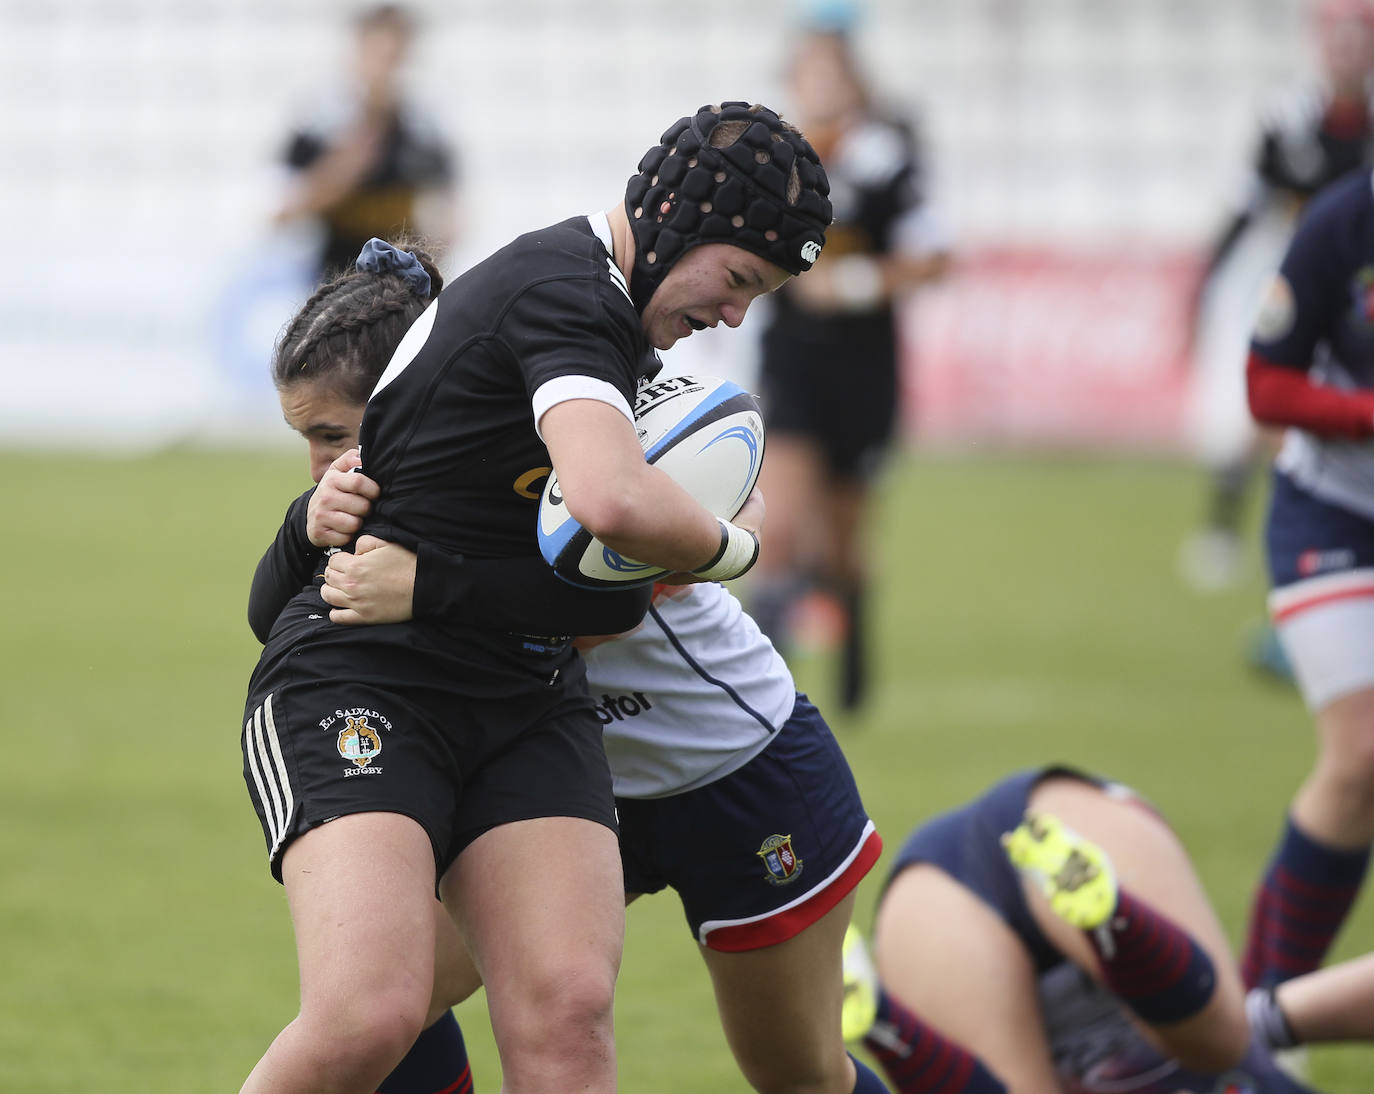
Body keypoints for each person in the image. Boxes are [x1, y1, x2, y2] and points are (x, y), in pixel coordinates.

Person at [238, 101, 832, 1094]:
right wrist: (742, 549)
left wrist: (440, 581)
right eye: (737, 279)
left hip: (526, 694)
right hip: (369, 680)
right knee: (368, 1014)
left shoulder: (619, 336)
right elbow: (609, 497)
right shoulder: (563, 290)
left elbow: (617, 574)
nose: (735, 314)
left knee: (566, 1014)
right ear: (681, 217)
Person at [841, 766, 1328, 1093]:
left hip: (965, 875)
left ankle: (1110, 915)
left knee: (1223, 1039)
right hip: (1051, 821)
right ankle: (1108, 918)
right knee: (1221, 1042)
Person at [747, 18, 951, 712]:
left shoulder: (887, 160)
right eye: (808, 73)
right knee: (775, 530)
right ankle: (757, 701)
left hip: (864, 368)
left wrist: (855, 283)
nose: (821, 85)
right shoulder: (771, 156)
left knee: (842, 546)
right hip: (793, 361)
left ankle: (855, 660)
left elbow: (934, 259)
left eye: (831, 71)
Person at [1178, 0, 1374, 596]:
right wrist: (1204, 284)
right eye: (1337, 37)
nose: (1347, 50)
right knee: (1275, 416)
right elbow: (1245, 205)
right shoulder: (1287, 117)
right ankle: (1247, 539)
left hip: (1361, 301)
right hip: (1303, 291)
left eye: (1359, 37)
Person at [1237, 163, 1374, 998]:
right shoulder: (1343, 221)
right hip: (1333, 512)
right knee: (1361, 759)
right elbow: (1265, 384)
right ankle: (1259, 1019)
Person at [273, 3, 459, 283]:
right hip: (324, 278)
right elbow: (280, 213)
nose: (385, 70)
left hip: (398, 284)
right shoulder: (320, 122)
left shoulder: (423, 126)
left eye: (394, 58)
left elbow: (451, 214)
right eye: (377, 55)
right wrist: (346, 164)